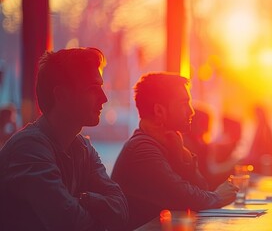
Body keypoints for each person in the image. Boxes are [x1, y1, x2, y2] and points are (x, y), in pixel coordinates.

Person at [0, 48, 128, 230]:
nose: (104, 98)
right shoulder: (27, 149)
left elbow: (120, 210)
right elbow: (70, 224)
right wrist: (94, 207)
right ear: (60, 95)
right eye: (93, 89)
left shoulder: (82, 147)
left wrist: (83, 200)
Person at [111, 73, 238, 230]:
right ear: (159, 111)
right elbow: (181, 194)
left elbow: (201, 187)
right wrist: (217, 197)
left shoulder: (167, 144)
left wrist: (181, 153)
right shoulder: (143, 149)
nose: (191, 111)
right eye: (184, 104)